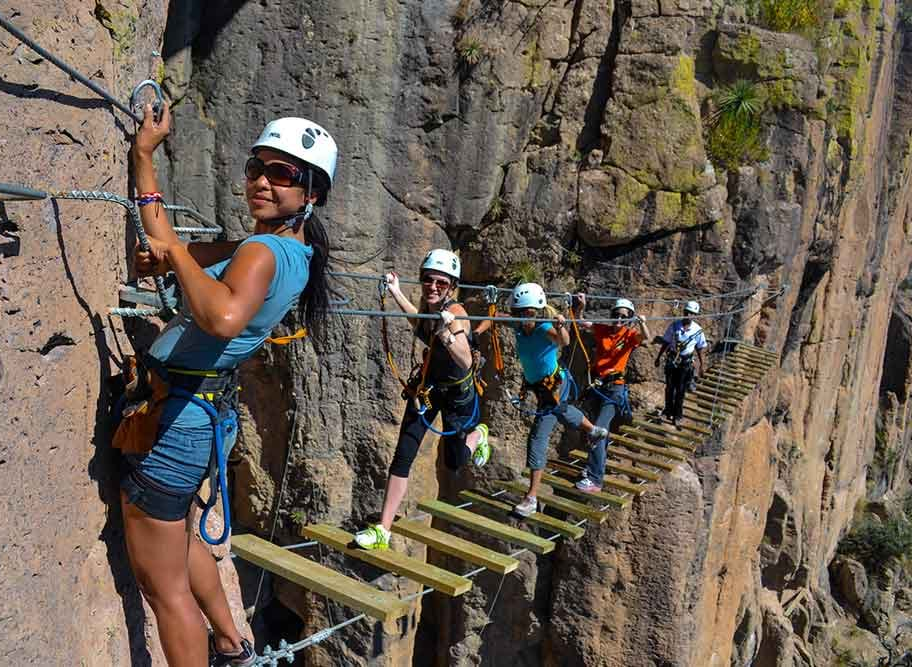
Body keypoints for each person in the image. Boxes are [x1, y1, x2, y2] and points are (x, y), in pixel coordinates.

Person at [117, 107, 336, 667]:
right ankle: (230, 642)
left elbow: (221, 318)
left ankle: (216, 645)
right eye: (257, 167)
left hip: (176, 425)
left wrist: (177, 261)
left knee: (164, 592)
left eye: (283, 174)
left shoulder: (262, 252)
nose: (262, 181)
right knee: (180, 532)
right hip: (199, 416)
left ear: (311, 192)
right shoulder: (282, 250)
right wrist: (144, 157)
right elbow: (168, 239)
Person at [354, 249, 491, 550]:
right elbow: (419, 325)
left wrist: (446, 334)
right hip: (428, 391)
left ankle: (478, 435)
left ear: (452, 287)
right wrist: (395, 292)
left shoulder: (457, 314)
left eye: (441, 283)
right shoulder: (432, 309)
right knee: (403, 455)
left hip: (457, 397)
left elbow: (466, 361)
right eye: (428, 280)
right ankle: (383, 530)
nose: (432, 287)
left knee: (455, 462)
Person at [486, 283, 608, 517]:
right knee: (562, 412)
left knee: (538, 438)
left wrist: (562, 326)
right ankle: (593, 430)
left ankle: (531, 497)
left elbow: (563, 341)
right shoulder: (519, 327)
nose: (525, 316)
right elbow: (499, 318)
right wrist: (490, 308)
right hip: (542, 387)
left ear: (537, 311)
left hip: (554, 385)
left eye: (529, 312)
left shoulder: (544, 327)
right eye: (520, 312)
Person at [573, 294, 650, 493]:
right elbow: (582, 322)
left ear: (628, 319)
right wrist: (581, 306)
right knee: (599, 431)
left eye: (623, 317)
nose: (618, 320)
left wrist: (641, 324)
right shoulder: (603, 330)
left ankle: (596, 479)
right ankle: (594, 469)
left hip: (615, 389)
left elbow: (646, 338)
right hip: (598, 386)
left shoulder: (629, 335)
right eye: (616, 315)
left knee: (598, 431)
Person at [655, 300, 707, 425]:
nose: (689, 315)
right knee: (669, 387)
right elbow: (666, 342)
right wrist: (658, 357)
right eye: (687, 312)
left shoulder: (697, 330)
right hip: (672, 360)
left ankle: (678, 415)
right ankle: (668, 411)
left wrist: (702, 365)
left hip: (685, 362)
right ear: (684, 312)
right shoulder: (674, 326)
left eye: (692, 314)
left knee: (680, 389)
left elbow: (699, 348)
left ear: (695, 316)